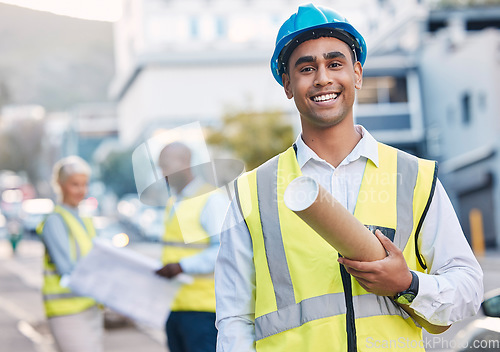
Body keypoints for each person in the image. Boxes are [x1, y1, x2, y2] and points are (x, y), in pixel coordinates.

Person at [215, 4, 484, 352]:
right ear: (287, 85)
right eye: (307, 68)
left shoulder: (415, 177)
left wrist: (407, 283)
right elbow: (234, 319)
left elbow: (467, 291)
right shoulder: (252, 192)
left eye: (335, 63)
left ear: (357, 74)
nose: (323, 78)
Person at [155, 142, 227, 352]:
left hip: (203, 311)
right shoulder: (174, 202)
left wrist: (181, 266)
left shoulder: (211, 200)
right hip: (175, 307)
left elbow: (223, 250)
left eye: (165, 166)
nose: (162, 173)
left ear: (184, 164)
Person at [37, 156, 103, 352]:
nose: (81, 190)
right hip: (67, 312)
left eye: (85, 184)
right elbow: (67, 269)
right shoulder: (55, 221)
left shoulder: (85, 220)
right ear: (60, 184)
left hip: (90, 307)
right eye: (75, 184)